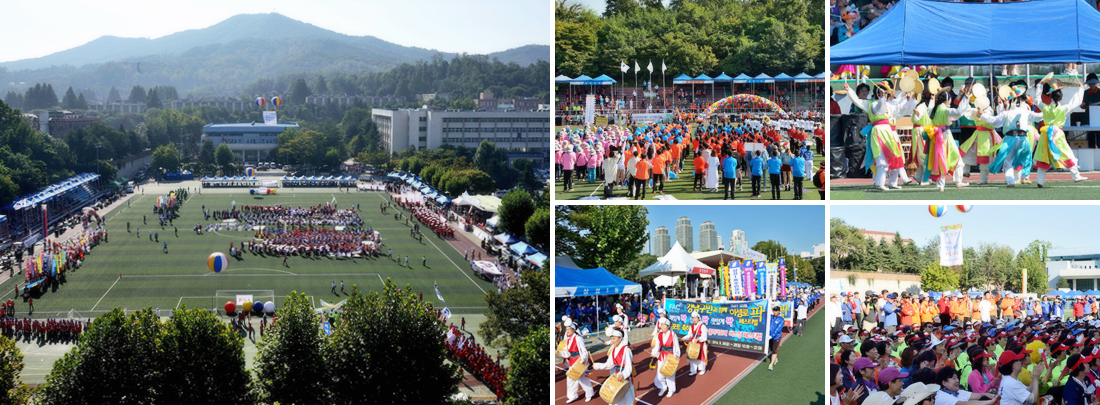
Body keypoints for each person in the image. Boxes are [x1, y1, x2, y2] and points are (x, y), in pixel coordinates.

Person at [1035, 80, 1089, 187]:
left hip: (1045, 135)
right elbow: (1076, 102)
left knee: (1044, 156)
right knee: (1068, 154)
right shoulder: (1063, 109)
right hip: (1057, 135)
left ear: (1050, 97)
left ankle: (1039, 181)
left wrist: (1039, 86)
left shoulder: (1045, 107)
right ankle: (1076, 176)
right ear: (1061, 98)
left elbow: (1037, 100)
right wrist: (1081, 89)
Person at [592, 327, 633, 405]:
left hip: (624, 376)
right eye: (611, 339)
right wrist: (597, 366)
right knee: (614, 398)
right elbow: (609, 364)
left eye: (614, 339)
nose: (612, 341)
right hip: (615, 375)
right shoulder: (613, 349)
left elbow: (628, 366)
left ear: (620, 338)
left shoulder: (626, 350)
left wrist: (623, 375)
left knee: (627, 398)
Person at [558, 319, 594, 403]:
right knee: (570, 378)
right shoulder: (568, 340)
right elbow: (567, 354)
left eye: (569, 329)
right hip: (572, 361)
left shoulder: (578, 338)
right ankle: (572, 395)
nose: (567, 331)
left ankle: (589, 394)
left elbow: (583, 350)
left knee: (583, 379)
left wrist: (584, 359)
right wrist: (559, 352)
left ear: (574, 330)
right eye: (566, 329)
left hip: (579, 360)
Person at [652, 317, 680, 397]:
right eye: (661, 325)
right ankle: (663, 387)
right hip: (662, 356)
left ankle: (671, 390)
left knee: (669, 374)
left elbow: (676, 346)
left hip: (671, 356)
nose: (662, 327)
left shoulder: (673, 334)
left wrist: (676, 355)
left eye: (664, 326)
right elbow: (657, 346)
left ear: (668, 326)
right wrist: (653, 353)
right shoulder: (659, 335)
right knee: (660, 375)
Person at [682, 311, 708, 375]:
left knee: (701, 356)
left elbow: (704, 337)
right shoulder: (692, 326)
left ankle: (702, 369)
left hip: (700, 343)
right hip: (693, 342)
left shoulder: (702, 326)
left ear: (699, 318)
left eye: (695, 318)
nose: (694, 320)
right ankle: (693, 371)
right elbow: (689, 335)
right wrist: (685, 338)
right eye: (693, 318)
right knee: (692, 356)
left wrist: (698, 339)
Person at [768, 305, 784, 370]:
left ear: (779, 311)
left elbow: (778, 329)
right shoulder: (771, 317)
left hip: (776, 337)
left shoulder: (781, 319)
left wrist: (772, 335)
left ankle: (771, 364)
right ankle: (775, 358)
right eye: (773, 310)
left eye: (776, 311)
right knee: (771, 349)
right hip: (769, 337)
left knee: (774, 351)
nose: (774, 312)